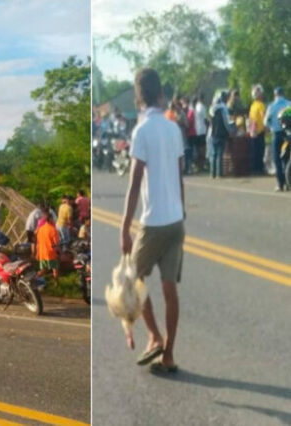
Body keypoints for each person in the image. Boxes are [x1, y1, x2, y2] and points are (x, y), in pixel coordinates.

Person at [121, 69, 185, 373]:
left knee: (134, 280)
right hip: (176, 221)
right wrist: (181, 211)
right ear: (160, 94)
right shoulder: (173, 128)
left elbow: (134, 184)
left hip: (153, 222)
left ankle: (154, 336)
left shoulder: (142, 131)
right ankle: (168, 354)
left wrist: (124, 229)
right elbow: (179, 175)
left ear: (138, 97)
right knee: (169, 289)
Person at [265, 87, 290, 191]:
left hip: (276, 134)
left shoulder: (271, 106)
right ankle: (288, 181)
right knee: (287, 158)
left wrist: (271, 126)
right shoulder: (289, 103)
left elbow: (266, 121)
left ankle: (280, 184)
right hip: (288, 134)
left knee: (277, 159)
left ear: (275, 95)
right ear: (283, 93)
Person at [208, 92, 233, 178]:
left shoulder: (211, 110)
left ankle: (212, 174)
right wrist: (230, 130)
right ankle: (219, 174)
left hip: (213, 134)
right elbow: (226, 122)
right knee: (220, 154)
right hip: (221, 134)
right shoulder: (223, 109)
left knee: (214, 154)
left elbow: (210, 124)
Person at [36, 210, 60, 284]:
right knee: (55, 269)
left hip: (42, 252)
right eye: (52, 218)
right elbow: (56, 243)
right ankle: (56, 284)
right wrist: (59, 252)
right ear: (50, 219)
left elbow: (38, 242)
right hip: (50, 253)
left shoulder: (40, 229)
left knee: (44, 269)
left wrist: (37, 253)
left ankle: (34, 279)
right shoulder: (53, 229)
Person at [248, 85, 267, 175]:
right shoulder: (261, 105)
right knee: (260, 151)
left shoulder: (252, 106)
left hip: (253, 131)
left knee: (254, 150)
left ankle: (254, 168)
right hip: (259, 131)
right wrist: (267, 127)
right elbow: (264, 117)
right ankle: (259, 168)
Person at [195, 93, 208, 172]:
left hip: (197, 129)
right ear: (202, 99)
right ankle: (202, 165)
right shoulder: (202, 107)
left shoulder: (196, 106)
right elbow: (205, 119)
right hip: (202, 129)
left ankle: (199, 166)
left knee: (198, 148)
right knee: (202, 148)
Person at [185, 97, 198, 174]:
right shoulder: (192, 111)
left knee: (191, 151)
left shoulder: (191, 111)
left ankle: (191, 167)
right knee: (191, 151)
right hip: (192, 133)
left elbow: (189, 122)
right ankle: (191, 166)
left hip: (191, 133)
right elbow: (190, 122)